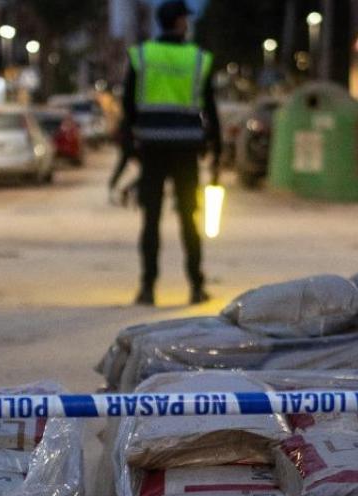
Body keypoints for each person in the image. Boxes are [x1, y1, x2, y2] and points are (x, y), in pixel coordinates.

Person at [121, 0, 220, 306]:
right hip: (186, 147)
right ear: (178, 22)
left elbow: (128, 105)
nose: (187, 24)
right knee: (189, 218)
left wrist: (130, 146)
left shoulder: (142, 56)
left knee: (150, 220)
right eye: (185, 19)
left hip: (151, 147)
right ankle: (196, 286)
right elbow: (210, 107)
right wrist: (216, 148)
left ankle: (148, 288)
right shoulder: (198, 58)